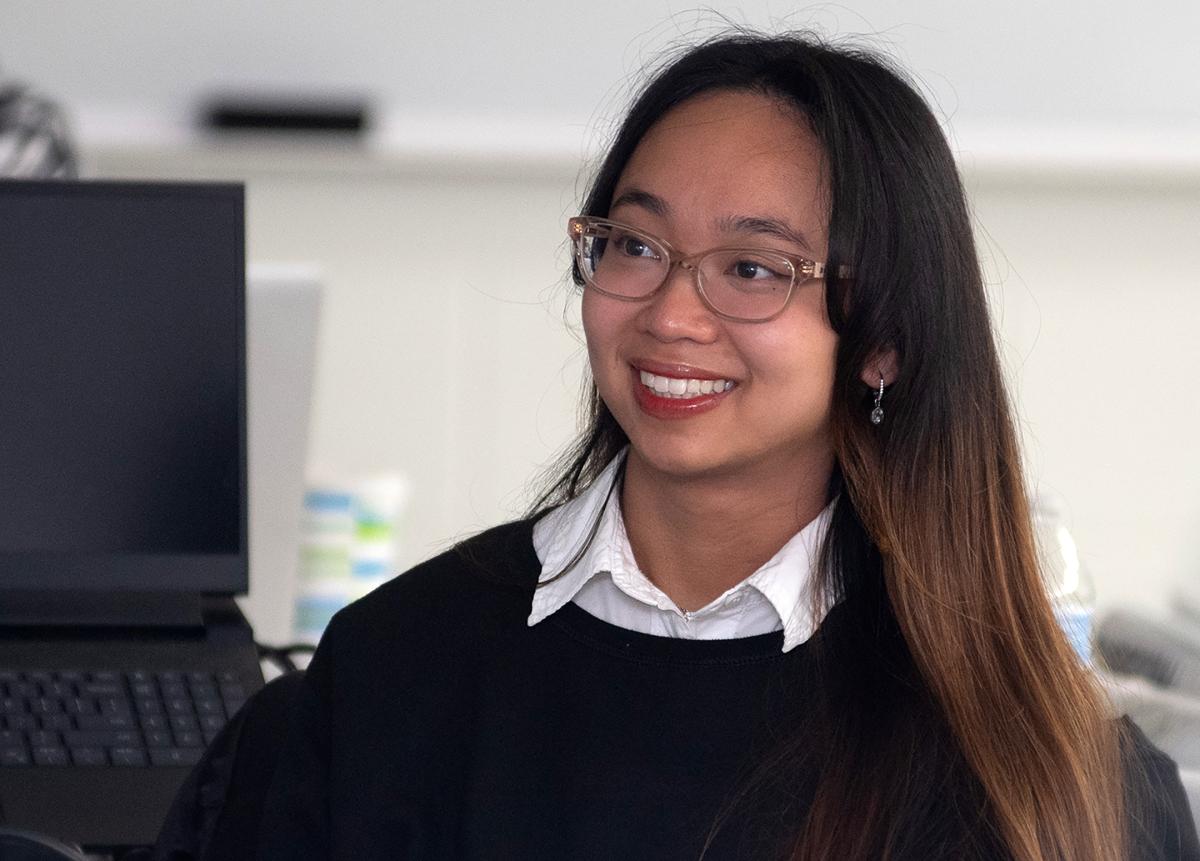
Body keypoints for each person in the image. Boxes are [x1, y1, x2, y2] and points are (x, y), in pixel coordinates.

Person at [252, 32, 1200, 860]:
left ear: (882, 342)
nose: (668, 314)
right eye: (633, 245)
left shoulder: (1049, 769)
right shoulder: (394, 670)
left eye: (752, 268)